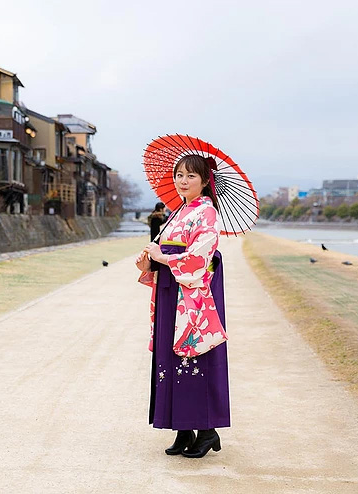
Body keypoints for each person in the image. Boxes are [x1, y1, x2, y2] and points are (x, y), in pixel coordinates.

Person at [135, 154, 230, 458]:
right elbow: (165, 253)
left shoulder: (207, 213)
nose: (183, 181)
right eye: (179, 175)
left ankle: (206, 430)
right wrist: (149, 260)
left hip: (190, 296)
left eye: (190, 176)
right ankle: (183, 429)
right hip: (168, 290)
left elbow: (201, 256)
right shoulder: (177, 213)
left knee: (192, 357)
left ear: (204, 181)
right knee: (169, 357)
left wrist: (164, 258)